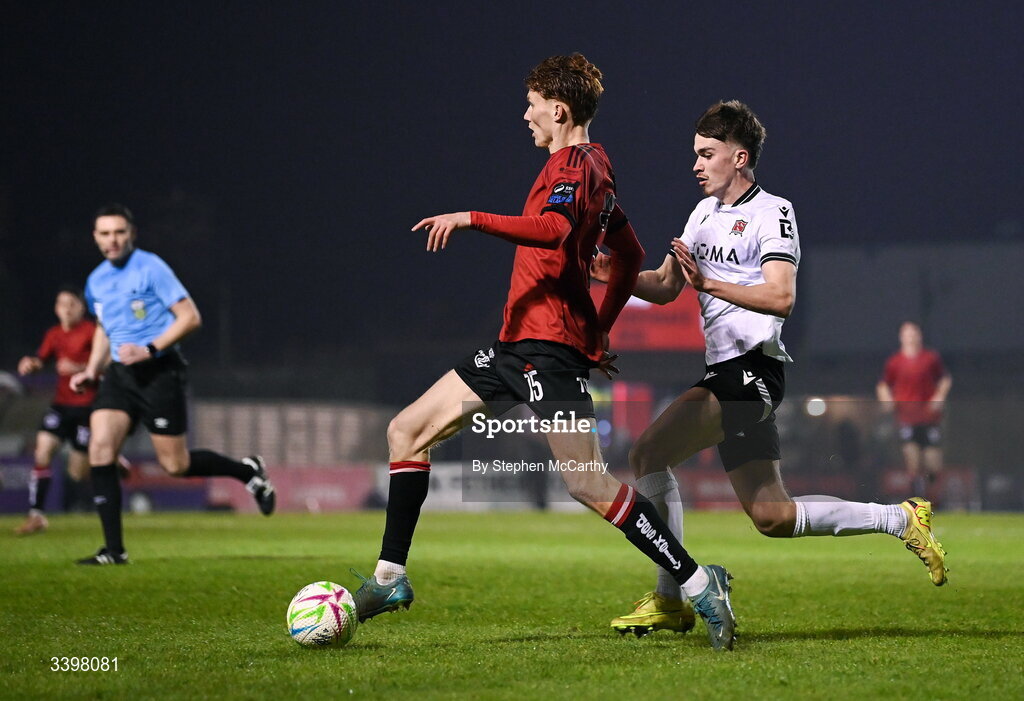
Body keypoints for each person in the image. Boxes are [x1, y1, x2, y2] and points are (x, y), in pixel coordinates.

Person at [351, 54, 739, 651]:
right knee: (407, 431)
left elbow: (555, 230)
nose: (525, 114)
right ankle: (390, 578)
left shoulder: (576, 166)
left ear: (559, 110)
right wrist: (602, 328)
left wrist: (470, 218)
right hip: (517, 346)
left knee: (587, 484)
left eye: (532, 104)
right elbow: (630, 256)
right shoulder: (595, 171)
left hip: (547, 349)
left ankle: (696, 582)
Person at [592, 100, 948, 639]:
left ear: (739, 157)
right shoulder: (701, 213)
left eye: (706, 154)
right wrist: (611, 273)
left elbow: (781, 296)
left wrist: (709, 285)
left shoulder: (773, 212)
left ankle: (671, 596)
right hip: (728, 374)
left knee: (647, 452)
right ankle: (901, 518)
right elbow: (666, 286)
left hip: (753, 371)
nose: (696, 164)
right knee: (772, 517)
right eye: (694, 154)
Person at [70, 204, 276, 565]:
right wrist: (91, 369)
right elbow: (106, 328)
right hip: (119, 375)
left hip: (159, 373)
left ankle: (247, 471)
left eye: (119, 232)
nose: (112, 240)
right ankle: (114, 551)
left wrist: (150, 349)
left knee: (176, 466)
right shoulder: (96, 280)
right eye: (104, 233)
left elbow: (189, 317)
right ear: (95, 237)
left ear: (132, 233)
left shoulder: (151, 268)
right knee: (100, 448)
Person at [14, 286, 96, 534]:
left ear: (82, 307)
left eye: (72, 303)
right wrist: (31, 364)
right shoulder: (54, 334)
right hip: (61, 405)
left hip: (87, 408)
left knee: (77, 473)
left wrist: (80, 367)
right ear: (56, 309)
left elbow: (108, 364)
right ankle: (37, 515)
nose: (67, 309)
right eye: (62, 304)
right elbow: (43, 359)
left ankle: (109, 458)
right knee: (43, 452)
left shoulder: (92, 332)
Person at [876, 321, 952, 499]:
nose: (910, 336)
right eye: (907, 333)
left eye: (913, 333)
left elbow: (945, 379)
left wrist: (939, 397)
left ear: (919, 336)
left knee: (933, 462)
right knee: (913, 461)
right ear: (901, 337)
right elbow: (883, 385)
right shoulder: (895, 362)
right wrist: (886, 400)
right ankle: (918, 501)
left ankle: (935, 496)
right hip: (907, 418)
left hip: (930, 417)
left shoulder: (930, 358)